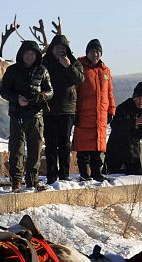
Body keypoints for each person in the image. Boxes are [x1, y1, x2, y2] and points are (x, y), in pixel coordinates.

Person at [0, 40, 53, 192]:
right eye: (27, 53)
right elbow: (4, 91)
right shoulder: (12, 70)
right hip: (18, 115)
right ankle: (16, 181)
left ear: (37, 56)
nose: (30, 56)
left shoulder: (42, 70)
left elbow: (50, 91)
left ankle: (32, 181)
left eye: (33, 54)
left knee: (35, 149)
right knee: (17, 149)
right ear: (22, 54)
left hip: (36, 115)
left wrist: (43, 95)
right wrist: (17, 99)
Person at [41, 34, 84, 184]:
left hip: (67, 109)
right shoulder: (44, 62)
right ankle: (51, 175)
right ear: (52, 48)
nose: (60, 50)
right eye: (57, 47)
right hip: (49, 109)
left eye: (63, 47)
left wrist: (68, 66)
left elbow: (79, 79)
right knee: (51, 144)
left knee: (65, 144)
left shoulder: (73, 62)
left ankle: (64, 175)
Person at [72, 39, 115, 182]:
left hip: (101, 116)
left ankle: (97, 173)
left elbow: (109, 93)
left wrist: (111, 110)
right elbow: (74, 92)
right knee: (84, 148)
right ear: (87, 52)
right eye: (92, 51)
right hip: (84, 114)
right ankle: (85, 174)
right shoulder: (80, 67)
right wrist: (75, 112)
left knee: (98, 148)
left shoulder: (106, 71)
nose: (95, 54)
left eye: (98, 51)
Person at [104, 81, 142, 176]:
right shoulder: (123, 108)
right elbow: (115, 125)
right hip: (117, 147)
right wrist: (133, 122)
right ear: (134, 98)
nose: (141, 101)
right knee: (113, 175)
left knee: (135, 176)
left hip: (133, 149)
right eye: (139, 98)